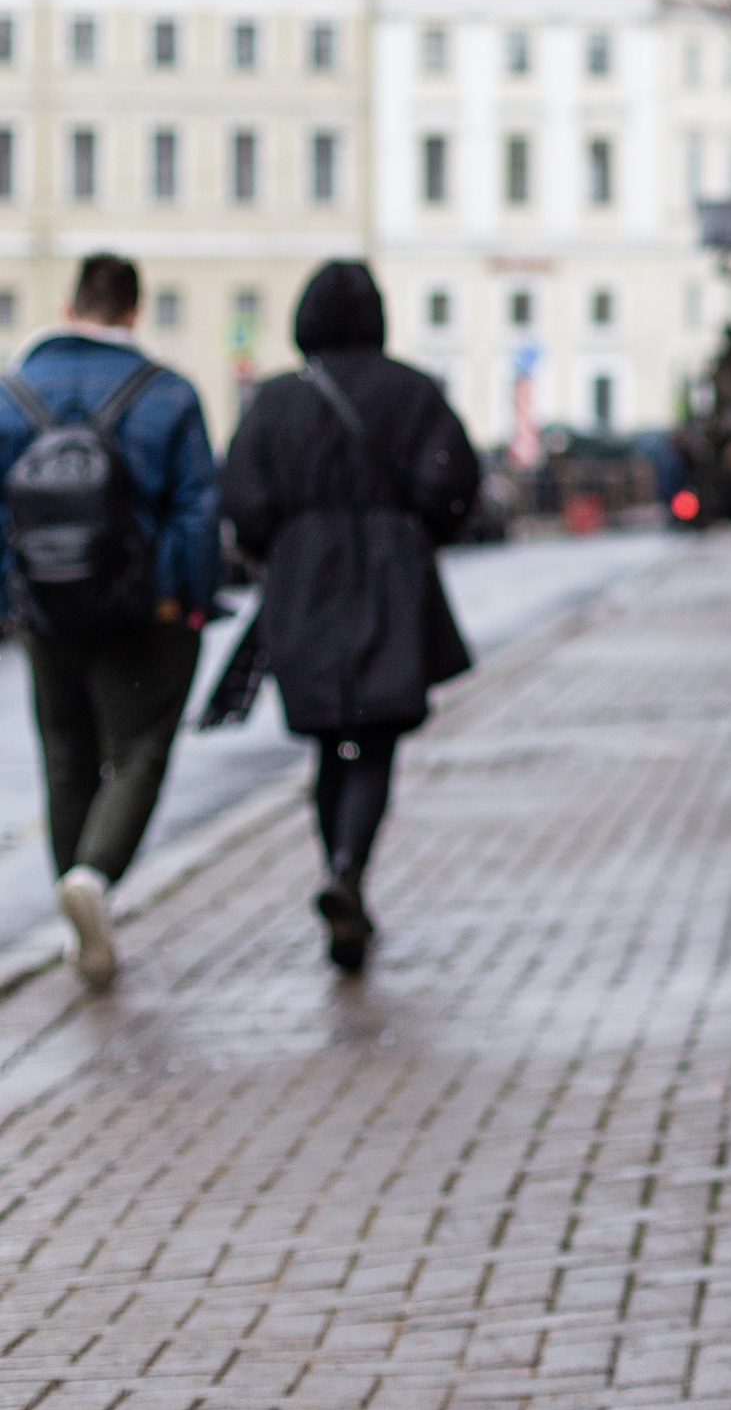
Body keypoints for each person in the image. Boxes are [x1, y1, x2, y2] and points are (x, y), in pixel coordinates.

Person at [219, 262, 478, 976]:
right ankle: (349, 869)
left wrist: (285, 542)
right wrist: (413, 530)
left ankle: (339, 867)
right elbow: (454, 481)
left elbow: (241, 497)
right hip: (390, 573)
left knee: (329, 741)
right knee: (377, 733)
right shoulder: (413, 391)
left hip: (302, 578)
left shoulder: (275, 400)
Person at [0, 253, 221, 990]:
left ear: (69, 307)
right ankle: (93, 880)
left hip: (47, 607)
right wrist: (187, 599)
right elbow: (196, 509)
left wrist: (14, 595)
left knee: (65, 755)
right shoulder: (167, 394)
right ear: (133, 311)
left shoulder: (14, 392)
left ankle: (74, 917)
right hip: (142, 609)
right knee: (138, 751)